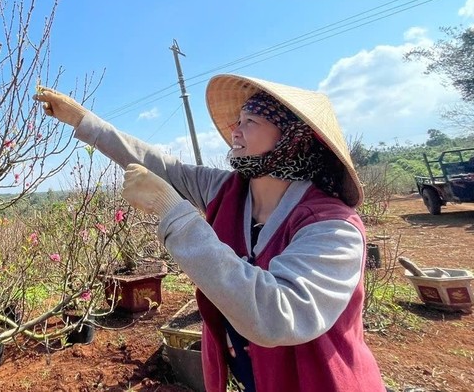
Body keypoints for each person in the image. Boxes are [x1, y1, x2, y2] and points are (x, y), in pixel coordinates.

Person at [34, 74, 384, 392]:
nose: (236, 130)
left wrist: (171, 210)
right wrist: (83, 121)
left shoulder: (333, 228)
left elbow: (276, 315)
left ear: (292, 139)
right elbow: (161, 165)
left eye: (251, 121)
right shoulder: (229, 189)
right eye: (239, 120)